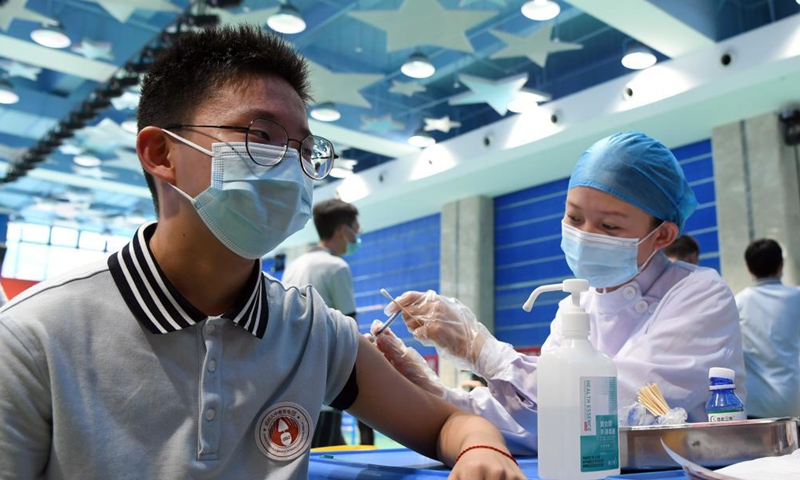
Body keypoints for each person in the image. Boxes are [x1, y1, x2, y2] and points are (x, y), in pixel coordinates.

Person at [0, 26, 524, 479]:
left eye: (303, 149)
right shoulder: (33, 337)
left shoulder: (313, 331)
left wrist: (480, 445)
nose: (290, 167)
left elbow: (449, 423)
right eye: (260, 135)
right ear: (161, 154)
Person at [373, 131, 746, 453]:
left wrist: (482, 350)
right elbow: (543, 422)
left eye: (610, 226)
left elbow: (616, 408)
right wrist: (435, 394)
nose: (584, 236)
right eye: (574, 217)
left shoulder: (699, 295)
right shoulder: (578, 302)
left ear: (662, 235)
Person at [282, 198, 374, 446]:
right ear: (343, 231)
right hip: (324, 380)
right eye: (356, 228)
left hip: (290, 376)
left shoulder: (295, 264)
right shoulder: (336, 267)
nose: (358, 234)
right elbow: (349, 331)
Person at [735, 238, 800, 418]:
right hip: (794, 400)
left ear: (749, 269)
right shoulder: (797, 297)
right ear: (781, 265)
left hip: (755, 404)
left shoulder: (739, 302)